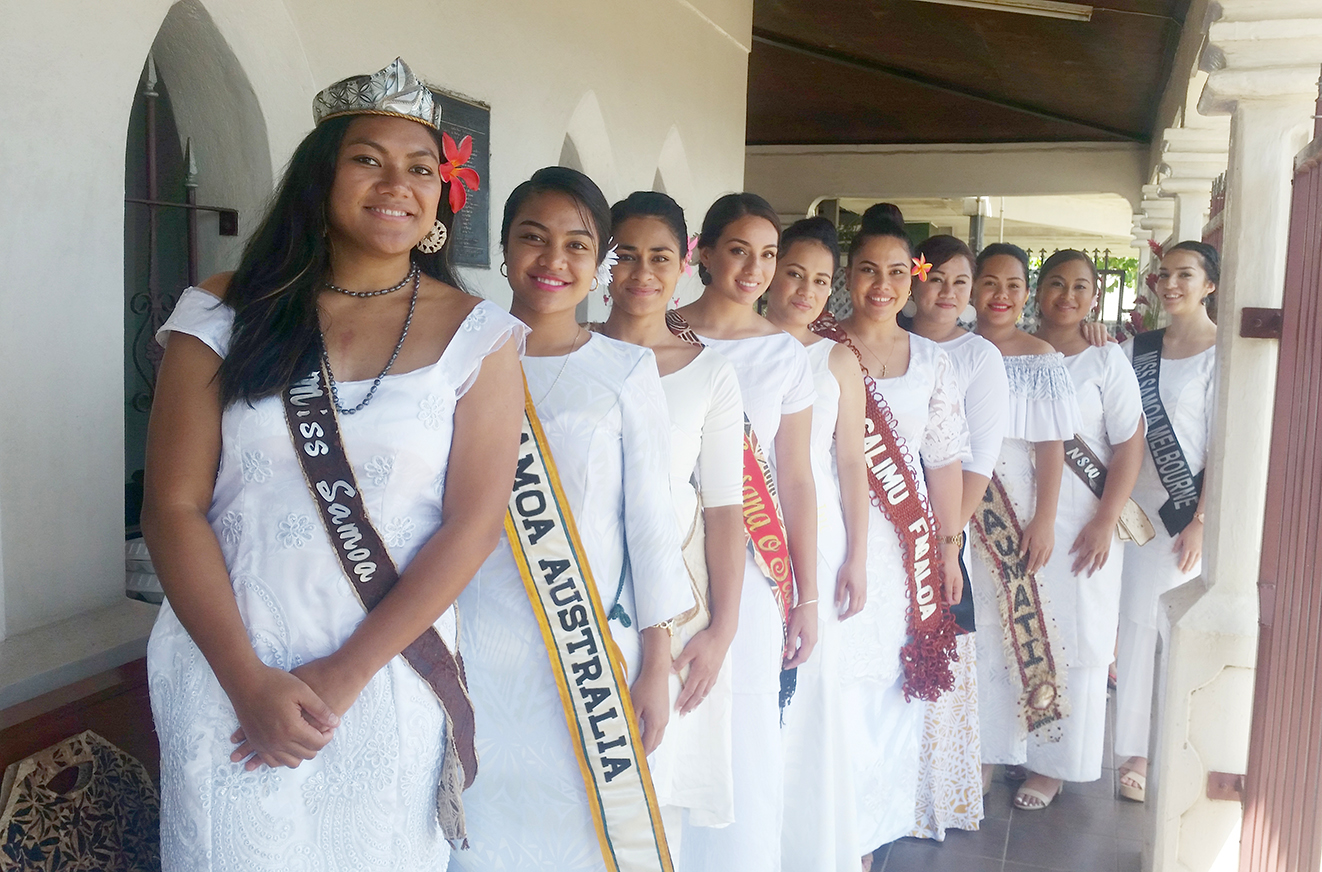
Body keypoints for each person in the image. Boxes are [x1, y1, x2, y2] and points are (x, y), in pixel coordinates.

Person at [142, 59, 526, 871]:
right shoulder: (221, 310)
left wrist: (348, 675)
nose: (398, 183)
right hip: (226, 665)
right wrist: (247, 681)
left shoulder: (479, 336)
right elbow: (173, 507)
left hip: (383, 677)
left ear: (441, 198)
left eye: (421, 167)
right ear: (320, 181)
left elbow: (472, 524)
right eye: (368, 160)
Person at [450, 167, 691, 871]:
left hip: (583, 647)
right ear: (503, 250)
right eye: (533, 238)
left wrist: (657, 661)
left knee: (580, 829)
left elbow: (651, 523)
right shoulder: (456, 352)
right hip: (471, 637)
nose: (553, 260)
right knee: (482, 826)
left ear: (601, 264)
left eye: (577, 245)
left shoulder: (624, 371)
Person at [597, 190, 747, 856]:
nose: (641, 273)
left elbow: (723, 510)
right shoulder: (562, 353)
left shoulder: (710, 373)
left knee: (655, 787)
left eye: (659, 257)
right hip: (579, 579)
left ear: (684, 264)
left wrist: (723, 628)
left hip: (676, 603)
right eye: (624, 254)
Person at [674, 193, 819, 872]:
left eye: (769, 255)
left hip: (755, 574)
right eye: (740, 250)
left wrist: (808, 597)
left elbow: (795, 482)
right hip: (667, 559)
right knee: (673, 709)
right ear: (703, 251)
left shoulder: (785, 356)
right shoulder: (657, 333)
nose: (757, 269)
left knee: (746, 724)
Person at [822, 213, 970, 865]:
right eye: (866, 270)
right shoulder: (819, 348)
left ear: (912, 280)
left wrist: (948, 547)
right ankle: (829, 828)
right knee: (837, 683)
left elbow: (942, 460)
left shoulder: (935, 362)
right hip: (832, 533)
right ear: (847, 278)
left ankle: (870, 832)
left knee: (889, 685)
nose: (879, 285)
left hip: (906, 548)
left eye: (893, 272)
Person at [1019, 250, 1145, 807]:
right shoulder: (1013, 351)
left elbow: (1129, 444)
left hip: (1085, 523)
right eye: (1054, 283)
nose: (1066, 296)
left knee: (1078, 639)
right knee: (1018, 632)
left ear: (1094, 297)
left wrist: (1105, 519)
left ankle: (1056, 766)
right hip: (1017, 516)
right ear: (1036, 292)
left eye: (1079, 287)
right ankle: (1014, 748)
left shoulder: (1105, 360)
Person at [764, 217, 870, 872]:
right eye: (794, 273)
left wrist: (857, 551)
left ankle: (814, 846)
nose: (805, 289)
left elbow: (850, 461)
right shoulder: (723, 344)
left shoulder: (834, 357)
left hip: (817, 535)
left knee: (812, 688)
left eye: (821, 280)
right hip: (742, 527)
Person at [968, 243, 1080, 806]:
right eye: (990, 282)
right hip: (957, 505)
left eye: (1013, 285)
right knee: (964, 625)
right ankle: (955, 744)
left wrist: (1044, 518)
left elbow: (1050, 447)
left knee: (1004, 630)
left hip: (1014, 508)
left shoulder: (1039, 358)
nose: (1001, 296)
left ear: (1026, 293)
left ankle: (991, 753)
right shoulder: (952, 348)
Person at [903, 233, 1008, 838]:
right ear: (914, 278)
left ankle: (928, 797)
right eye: (935, 277)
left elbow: (978, 464)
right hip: (874, 524)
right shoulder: (873, 338)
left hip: (938, 527)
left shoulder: (978, 357)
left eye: (960, 283)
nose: (946, 292)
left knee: (932, 655)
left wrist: (946, 542)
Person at [1114, 241, 1218, 803]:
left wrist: (1201, 519)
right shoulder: (1137, 348)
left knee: (1163, 625)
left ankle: (1156, 748)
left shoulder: (1221, 354)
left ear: (1209, 285)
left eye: (1186, 274)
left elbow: (1223, 448)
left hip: (1183, 511)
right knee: (1132, 624)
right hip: (1132, 507)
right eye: (1164, 273)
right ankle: (1133, 746)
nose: (1170, 283)